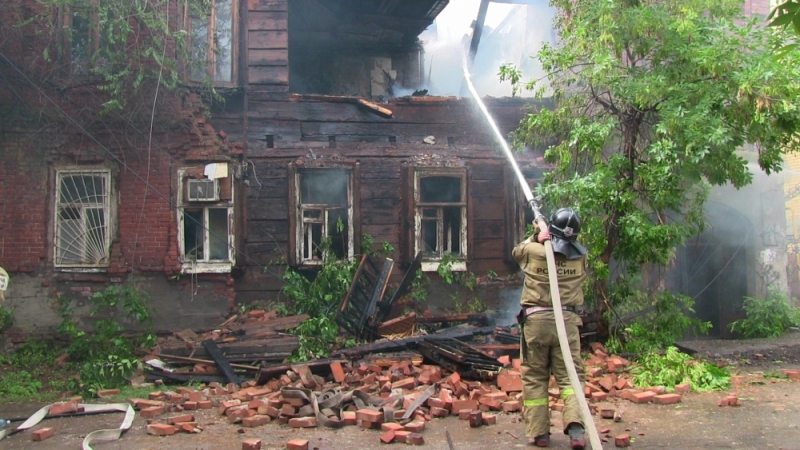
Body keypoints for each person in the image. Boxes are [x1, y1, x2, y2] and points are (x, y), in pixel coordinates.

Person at [512, 207, 588, 449]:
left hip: (536, 322)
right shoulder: (580, 257)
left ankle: (540, 434)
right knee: (571, 377)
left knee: (535, 377)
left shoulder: (534, 250)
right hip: (567, 322)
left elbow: (517, 252)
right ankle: (576, 429)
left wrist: (536, 236)